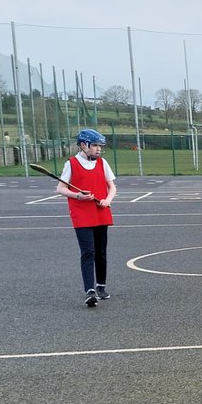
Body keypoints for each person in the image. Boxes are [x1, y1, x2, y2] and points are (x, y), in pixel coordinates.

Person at [56, 128, 118, 308]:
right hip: (81, 214)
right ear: (83, 145)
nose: (98, 149)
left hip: (100, 211)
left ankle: (101, 286)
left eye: (100, 146)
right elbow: (60, 188)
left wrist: (107, 200)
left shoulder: (102, 163)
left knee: (101, 252)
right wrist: (78, 196)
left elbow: (112, 187)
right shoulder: (72, 163)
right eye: (95, 145)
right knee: (88, 251)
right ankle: (89, 291)